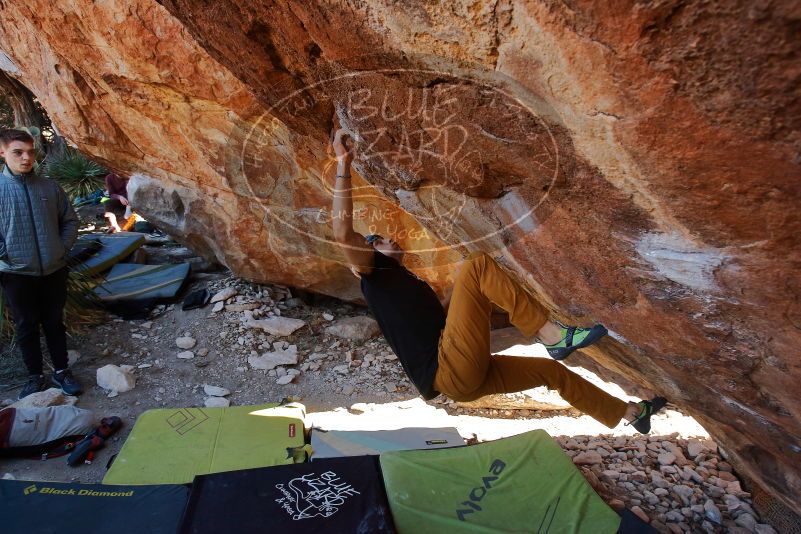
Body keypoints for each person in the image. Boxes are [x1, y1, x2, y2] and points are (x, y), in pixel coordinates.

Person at [330, 128, 666, 433]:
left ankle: (632, 413)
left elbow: (445, 317)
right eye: (374, 240)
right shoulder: (372, 276)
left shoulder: (403, 282)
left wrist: (466, 287)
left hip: (464, 376)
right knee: (477, 267)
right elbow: (343, 232)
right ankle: (552, 336)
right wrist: (343, 164)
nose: (385, 238)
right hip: (449, 371)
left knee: (552, 374)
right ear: (367, 256)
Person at [0, 129, 83, 399]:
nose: (26, 158)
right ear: (2, 153)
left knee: (54, 322)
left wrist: (60, 248)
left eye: (30, 152)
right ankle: (34, 376)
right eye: (18, 152)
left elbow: (70, 220)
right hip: (16, 273)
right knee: (26, 325)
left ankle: (61, 371)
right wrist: (6, 254)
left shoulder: (49, 187)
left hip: (53, 268)